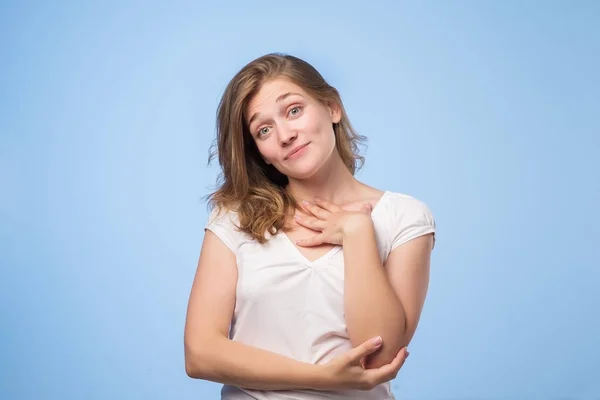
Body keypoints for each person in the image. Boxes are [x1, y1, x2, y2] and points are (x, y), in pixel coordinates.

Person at [184, 53, 437, 399]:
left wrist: (358, 233)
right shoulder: (235, 219)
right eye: (264, 130)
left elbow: (379, 357)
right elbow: (200, 354)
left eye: (293, 110)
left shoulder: (403, 217)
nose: (285, 135)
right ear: (260, 152)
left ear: (332, 107)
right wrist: (321, 377)